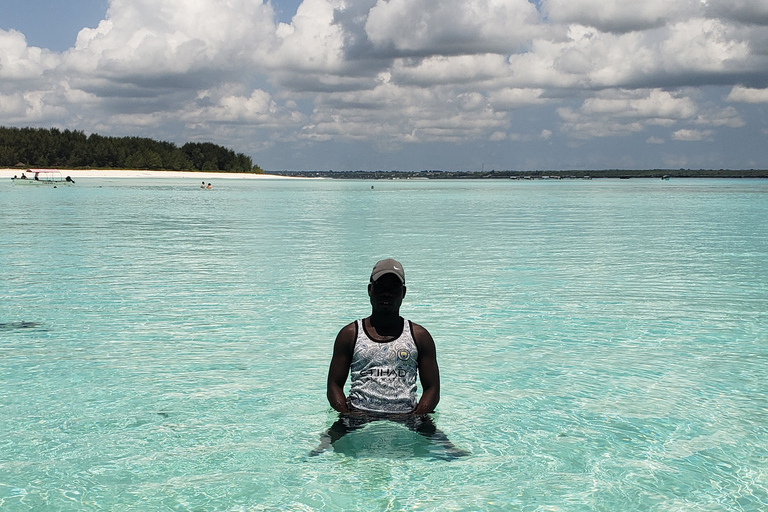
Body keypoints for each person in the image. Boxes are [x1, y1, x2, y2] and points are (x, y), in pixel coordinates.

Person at [311, 258, 468, 459]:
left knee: (451, 454)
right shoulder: (350, 334)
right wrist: (347, 413)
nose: (386, 293)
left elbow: (432, 388)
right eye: (380, 287)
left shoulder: (419, 336)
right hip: (358, 413)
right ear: (369, 290)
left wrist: (418, 415)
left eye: (393, 287)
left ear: (403, 293)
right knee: (320, 454)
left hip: (408, 415)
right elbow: (334, 384)